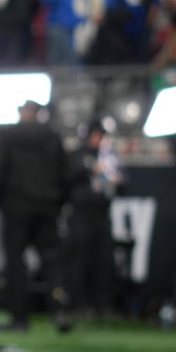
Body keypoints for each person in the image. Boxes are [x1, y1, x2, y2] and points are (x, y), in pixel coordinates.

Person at [0, 100, 71, 333]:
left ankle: (19, 318)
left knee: (16, 265)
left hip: (16, 209)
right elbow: (66, 173)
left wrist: (2, 203)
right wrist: (57, 202)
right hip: (47, 208)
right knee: (52, 262)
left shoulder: (7, 136)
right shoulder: (53, 136)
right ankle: (60, 309)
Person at [66, 122, 123, 318]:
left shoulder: (109, 156)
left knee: (104, 260)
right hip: (81, 214)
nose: (99, 139)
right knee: (80, 260)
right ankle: (78, 304)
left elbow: (122, 179)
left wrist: (117, 179)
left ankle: (103, 305)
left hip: (101, 214)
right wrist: (90, 168)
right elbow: (70, 174)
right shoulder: (78, 154)